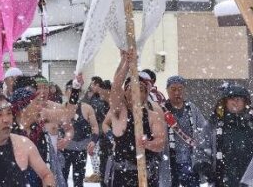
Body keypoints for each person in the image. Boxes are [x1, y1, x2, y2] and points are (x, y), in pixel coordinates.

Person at [105, 49, 166, 186]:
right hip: (122, 175)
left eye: (141, 90)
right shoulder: (118, 112)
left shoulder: (153, 115)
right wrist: (127, 63)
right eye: (131, 89)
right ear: (125, 93)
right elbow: (115, 87)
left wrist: (148, 144)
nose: (136, 93)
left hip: (146, 174)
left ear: (146, 95)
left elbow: (161, 142)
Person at [193, 83, 253, 187]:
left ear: (245, 102)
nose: (235, 102)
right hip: (222, 179)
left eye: (239, 99)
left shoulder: (251, 125)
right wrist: (204, 166)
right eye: (232, 98)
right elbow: (201, 149)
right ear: (225, 102)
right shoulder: (213, 125)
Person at [161, 75, 206, 187]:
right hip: (170, 161)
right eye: (173, 89)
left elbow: (204, 129)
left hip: (191, 160)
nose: (177, 92)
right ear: (167, 90)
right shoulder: (162, 110)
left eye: (180, 89)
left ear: (184, 90)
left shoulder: (191, 108)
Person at [61, 80, 99, 187]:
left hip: (80, 149)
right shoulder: (60, 108)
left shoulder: (87, 108)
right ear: (65, 92)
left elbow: (95, 126)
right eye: (71, 90)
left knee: (78, 181)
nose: (74, 94)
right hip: (65, 149)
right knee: (62, 179)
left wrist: (93, 140)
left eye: (76, 91)